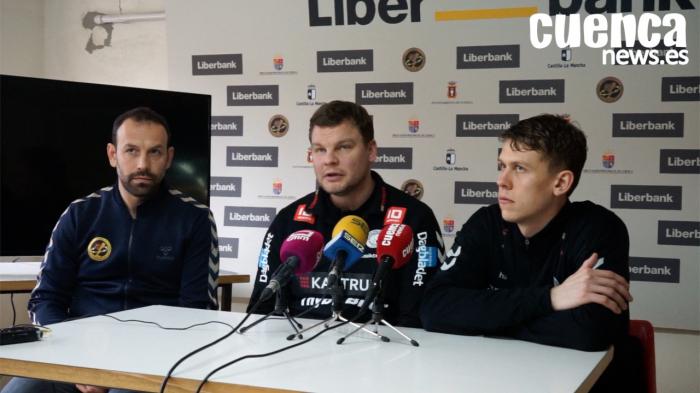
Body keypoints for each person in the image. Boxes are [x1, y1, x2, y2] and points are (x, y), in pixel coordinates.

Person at [2, 107, 219, 393]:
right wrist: (75, 359)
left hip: (154, 362)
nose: (143, 163)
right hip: (76, 354)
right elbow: (45, 299)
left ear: (169, 158)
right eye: (131, 150)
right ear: (112, 154)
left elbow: (198, 314)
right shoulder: (79, 214)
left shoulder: (195, 219)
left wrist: (123, 367)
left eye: (155, 152)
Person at [420, 114, 638, 391]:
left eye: (520, 168)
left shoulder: (599, 228)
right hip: (495, 381)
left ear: (560, 183)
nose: (502, 181)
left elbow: (591, 331)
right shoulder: (486, 222)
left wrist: (488, 318)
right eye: (501, 166)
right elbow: (435, 308)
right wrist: (551, 298)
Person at [247, 100, 444, 328]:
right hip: (298, 349)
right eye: (320, 149)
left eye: (343, 147)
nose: (329, 160)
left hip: (384, 354)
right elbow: (262, 310)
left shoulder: (415, 219)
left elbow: (419, 319)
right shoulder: (288, 220)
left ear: (371, 151)